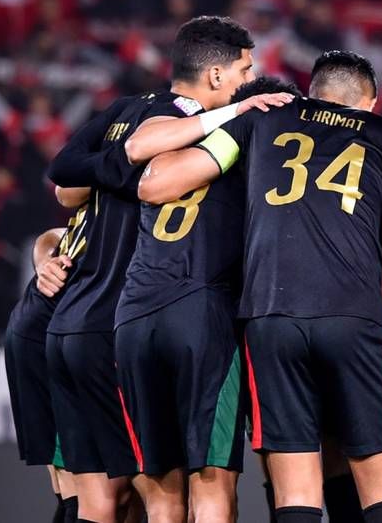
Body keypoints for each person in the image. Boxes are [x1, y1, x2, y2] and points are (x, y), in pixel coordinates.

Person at [138, 50, 382, 523]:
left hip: (271, 317)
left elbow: (159, 183)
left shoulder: (264, 118)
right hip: (354, 317)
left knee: (295, 495)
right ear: (370, 102)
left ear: (312, 91)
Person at [45, 15, 276, 523]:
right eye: (245, 70)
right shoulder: (216, 128)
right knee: (200, 485)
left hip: (95, 317)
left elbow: (65, 184)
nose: (250, 80)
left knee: (117, 496)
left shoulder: (125, 110)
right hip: (163, 313)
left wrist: (106, 174)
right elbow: (137, 165)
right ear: (216, 75)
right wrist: (238, 113)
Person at [113, 76, 295, 523]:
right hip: (203, 312)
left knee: (162, 495)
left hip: (134, 314)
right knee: (211, 483)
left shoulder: (174, 150)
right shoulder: (261, 162)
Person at [5, 207, 86, 523]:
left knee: (73, 487)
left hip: (39, 331)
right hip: (51, 336)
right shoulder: (121, 203)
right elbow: (51, 236)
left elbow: (52, 235)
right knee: (82, 487)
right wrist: (43, 263)